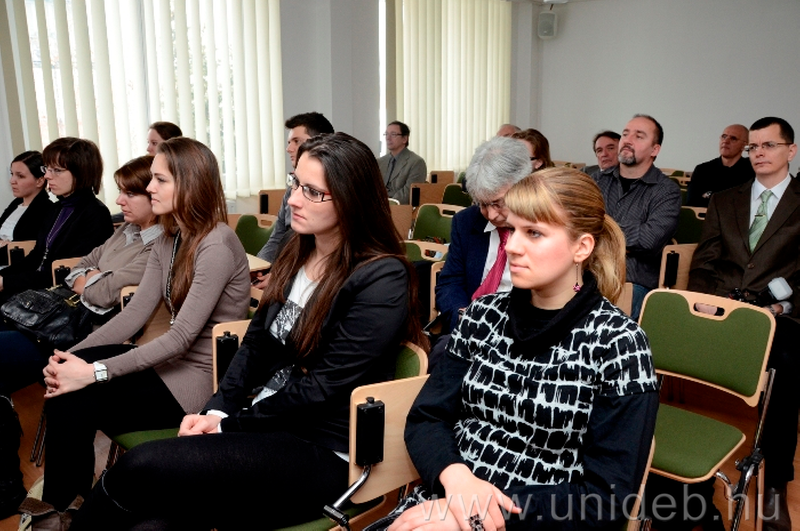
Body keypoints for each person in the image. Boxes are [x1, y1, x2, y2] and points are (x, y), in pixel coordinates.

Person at [67, 132, 426, 530]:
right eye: (295, 184)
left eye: (312, 192)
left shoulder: (382, 277)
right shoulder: (300, 252)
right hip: (265, 422)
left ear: (351, 198)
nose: (293, 200)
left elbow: (322, 388)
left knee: (141, 466)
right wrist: (218, 408)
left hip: (324, 450)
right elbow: (255, 344)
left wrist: (229, 424)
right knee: (152, 524)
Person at [384, 167, 659, 531]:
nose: (511, 246)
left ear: (581, 247)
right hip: (446, 498)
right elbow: (427, 417)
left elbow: (605, 500)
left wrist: (479, 514)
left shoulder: (619, 345)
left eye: (534, 233)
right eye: (512, 230)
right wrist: (457, 479)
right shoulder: (482, 315)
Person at [18, 138, 251, 528]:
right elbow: (134, 315)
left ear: (189, 184)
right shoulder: (169, 237)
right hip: (168, 363)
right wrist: (69, 358)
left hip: (197, 379)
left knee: (78, 392)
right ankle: (67, 505)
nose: (150, 188)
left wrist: (93, 372)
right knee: (69, 380)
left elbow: (180, 338)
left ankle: (63, 509)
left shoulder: (217, 244)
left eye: (159, 180)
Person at [0, 155, 162, 520]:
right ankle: (20, 490)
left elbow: (105, 293)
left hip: (78, 330)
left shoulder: (157, 246)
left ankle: (29, 496)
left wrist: (92, 279)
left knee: (60, 386)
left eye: (129, 193)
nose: (119, 200)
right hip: (59, 321)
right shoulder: (125, 231)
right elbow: (78, 268)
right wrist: (93, 277)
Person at [688, 117, 799, 531]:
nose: (759, 153)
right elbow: (705, 262)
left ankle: (775, 488)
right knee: (669, 358)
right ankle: (687, 484)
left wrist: (782, 308)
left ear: (791, 151)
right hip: (723, 311)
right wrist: (707, 302)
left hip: (777, 316)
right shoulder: (725, 199)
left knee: (786, 370)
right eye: (754, 147)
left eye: (769, 145)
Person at [432, 137, 530, 369]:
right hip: (470, 328)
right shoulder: (466, 222)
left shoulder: (542, 228)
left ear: (523, 187)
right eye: (483, 204)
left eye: (498, 203)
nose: (491, 215)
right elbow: (450, 282)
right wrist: (463, 316)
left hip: (522, 332)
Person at [0, 138, 113, 300]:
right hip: (38, 286)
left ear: (81, 172)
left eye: (57, 170)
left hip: (61, 295)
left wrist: (7, 282)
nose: (47, 176)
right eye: (47, 168)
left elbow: (66, 273)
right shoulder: (56, 208)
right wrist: (3, 277)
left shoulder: (95, 213)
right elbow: (35, 257)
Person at [593, 114, 682, 319]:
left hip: (632, 282)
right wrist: (625, 237)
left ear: (654, 150)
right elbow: (576, 224)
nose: (628, 140)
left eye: (639, 136)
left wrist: (599, 228)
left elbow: (648, 240)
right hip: (589, 273)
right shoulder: (596, 181)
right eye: (625, 134)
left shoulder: (666, 191)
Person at [255, 111, 335, 266]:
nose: (289, 148)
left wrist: (279, 273)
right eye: (289, 142)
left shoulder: (337, 189)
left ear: (320, 142)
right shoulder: (291, 191)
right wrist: (261, 267)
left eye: (296, 141)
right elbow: (276, 237)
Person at [685, 124, 755, 207]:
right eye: (724, 136)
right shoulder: (703, 169)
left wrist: (709, 196)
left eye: (733, 138)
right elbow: (692, 202)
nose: (726, 141)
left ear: (744, 146)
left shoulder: (752, 170)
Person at [0, 151, 53, 247]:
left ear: (39, 181)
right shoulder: (15, 204)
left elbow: (31, 246)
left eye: (20, 176)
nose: (12, 181)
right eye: (12, 174)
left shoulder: (46, 210)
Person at [379, 120, 428, 204]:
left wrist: (386, 204)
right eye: (386, 134)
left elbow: (408, 194)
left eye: (393, 134)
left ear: (405, 139)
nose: (388, 138)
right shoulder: (379, 162)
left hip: (399, 207)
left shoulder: (416, 162)